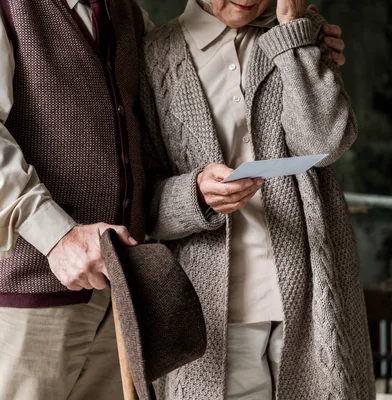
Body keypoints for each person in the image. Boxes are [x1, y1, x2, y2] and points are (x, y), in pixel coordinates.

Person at [0, 0, 348, 399]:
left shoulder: (126, 14)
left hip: (120, 287)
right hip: (24, 280)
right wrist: (56, 236)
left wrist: (302, 42)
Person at [140, 0, 373, 399]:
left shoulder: (298, 34)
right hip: (210, 312)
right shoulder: (154, 56)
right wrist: (194, 195)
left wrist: (293, 33)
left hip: (313, 297)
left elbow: (325, 141)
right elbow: (141, 201)